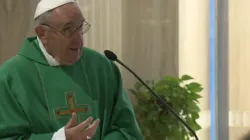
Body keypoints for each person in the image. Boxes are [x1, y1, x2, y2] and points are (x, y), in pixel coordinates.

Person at [0, 0, 144, 140]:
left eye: (80, 27)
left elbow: (126, 130)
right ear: (42, 33)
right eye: (68, 30)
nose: (79, 40)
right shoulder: (11, 77)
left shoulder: (102, 67)